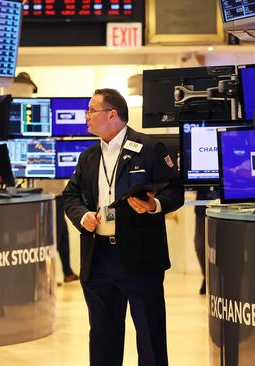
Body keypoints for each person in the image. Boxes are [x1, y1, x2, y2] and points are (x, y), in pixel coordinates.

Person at [62, 88, 184, 366]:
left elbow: (175, 190)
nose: (86, 117)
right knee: (103, 337)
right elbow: (70, 195)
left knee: (150, 336)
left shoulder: (150, 148)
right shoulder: (89, 156)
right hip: (99, 257)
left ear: (112, 114)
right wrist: (83, 217)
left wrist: (155, 206)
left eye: (91, 110)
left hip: (139, 258)